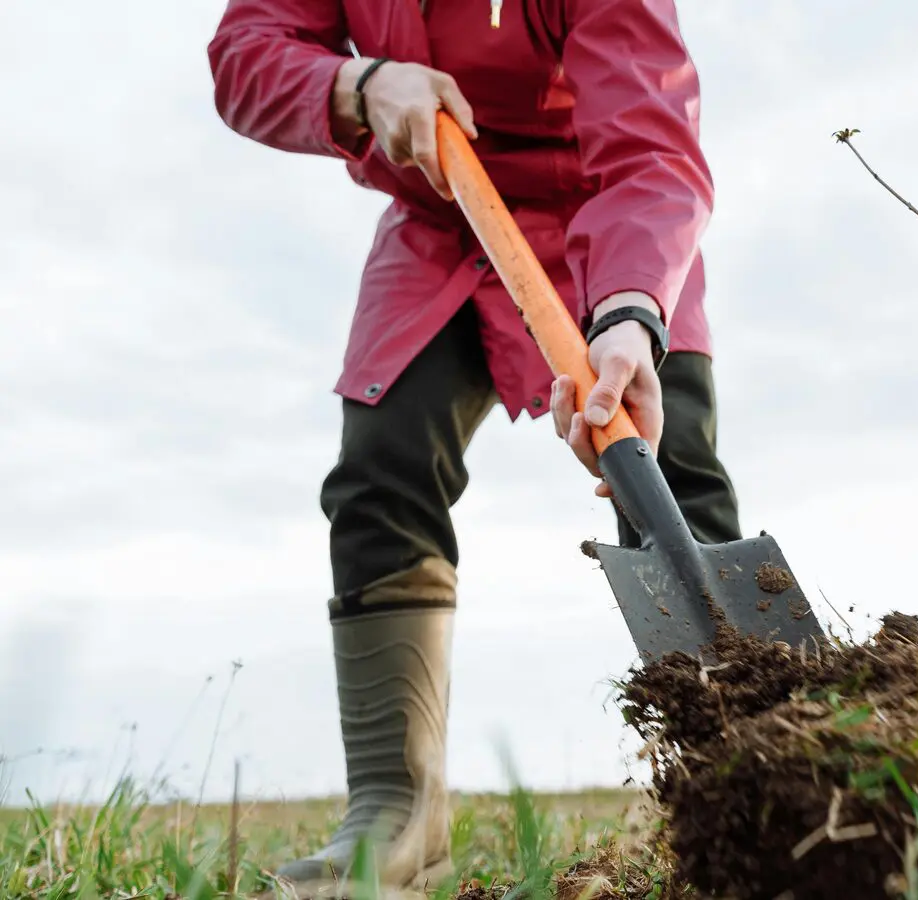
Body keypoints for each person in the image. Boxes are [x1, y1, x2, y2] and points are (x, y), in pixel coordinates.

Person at [206, 0, 739, 891]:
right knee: (381, 471)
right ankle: (394, 817)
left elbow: (650, 149)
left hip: (603, 227)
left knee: (671, 475)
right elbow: (245, 53)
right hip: (439, 223)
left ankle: (738, 784)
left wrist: (630, 311)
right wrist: (356, 82)